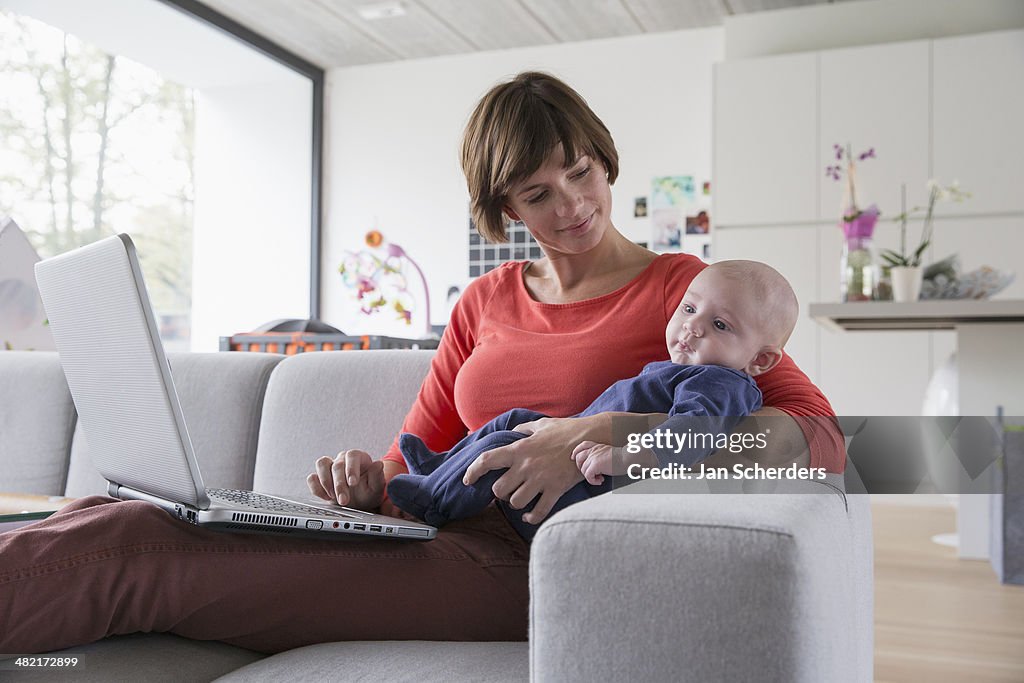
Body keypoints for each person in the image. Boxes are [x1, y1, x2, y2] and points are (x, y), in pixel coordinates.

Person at [0, 71, 842, 656]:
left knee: (132, 552)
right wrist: (369, 483)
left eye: (580, 172)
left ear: (603, 159)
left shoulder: (688, 297)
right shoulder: (483, 303)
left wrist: (600, 433)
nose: (573, 203)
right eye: (537, 192)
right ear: (502, 206)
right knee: (100, 514)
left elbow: (820, 442)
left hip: (531, 558)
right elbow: (414, 453)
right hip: (425, 528)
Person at [385, 260, 799, 540]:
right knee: (509, 421)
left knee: (500, 448)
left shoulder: (722, 384)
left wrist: (623, 455)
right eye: (689, 309)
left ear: (761, 359)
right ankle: (438, 469)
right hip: (569, 462)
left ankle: (435, 504)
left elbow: (693, 434)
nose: (692, 328)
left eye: (720, 324)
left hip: (584, 490)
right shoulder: (688, 369)